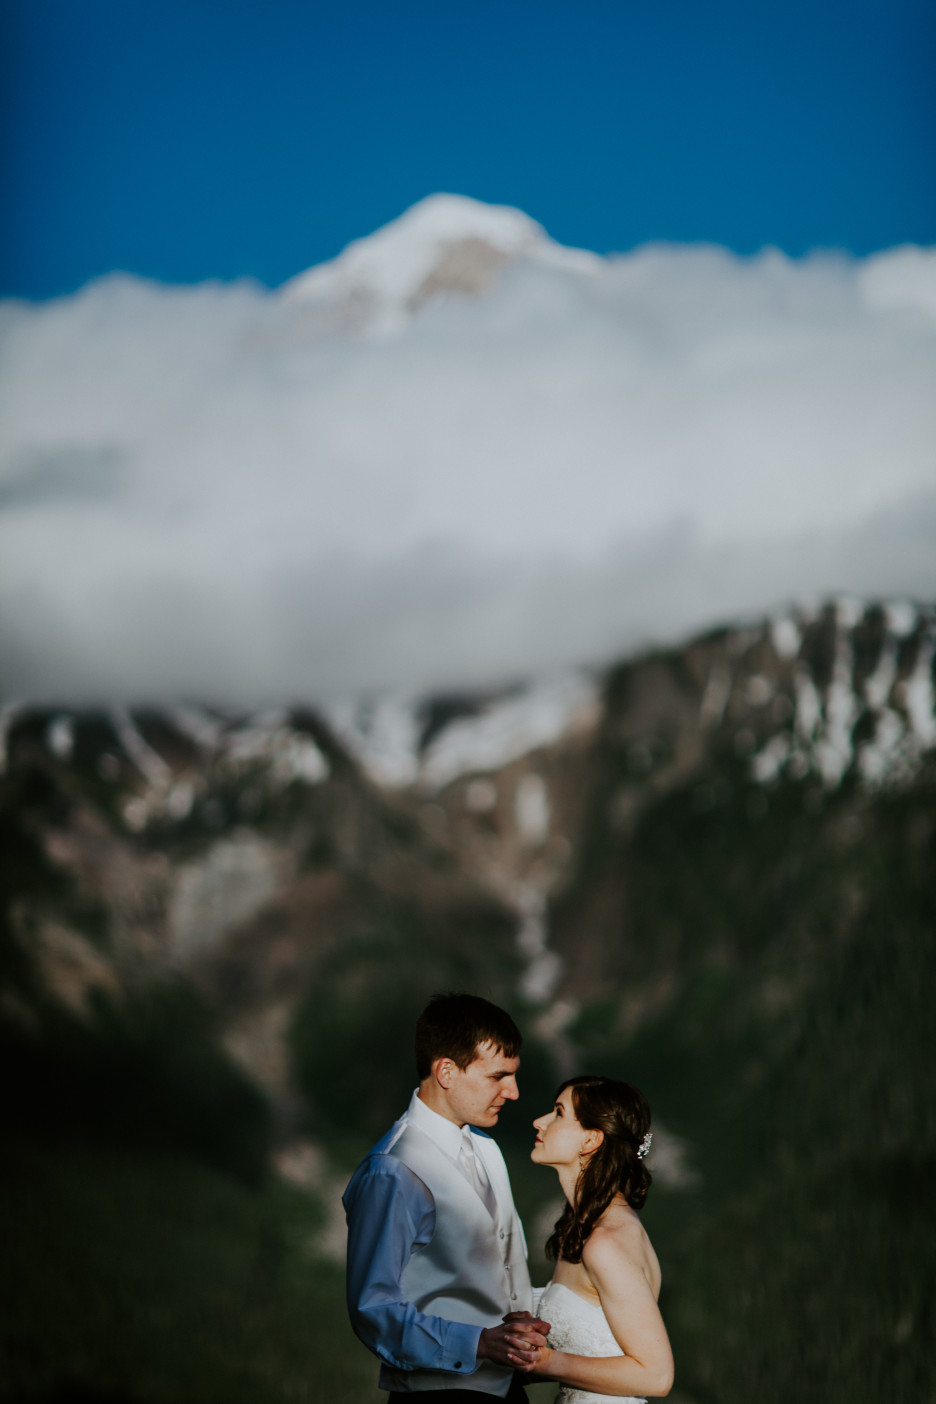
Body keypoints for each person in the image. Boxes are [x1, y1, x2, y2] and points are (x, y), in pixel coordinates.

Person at [343, 993, 551, 1401]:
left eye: (514, 1075)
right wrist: (478, 1344)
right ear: (446, 1072)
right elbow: (372, 1310)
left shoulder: (488, 1149)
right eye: (497, 1076)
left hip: (509, 1392)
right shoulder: (393, 1169)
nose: (513, 1092)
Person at [505, 1076, 674, 1401]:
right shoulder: (589, 1228)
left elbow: (657, 1376)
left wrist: (547, 1362)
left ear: (590, 1141)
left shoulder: (606, 1242)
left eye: (558, 1112)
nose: (539, 1121)